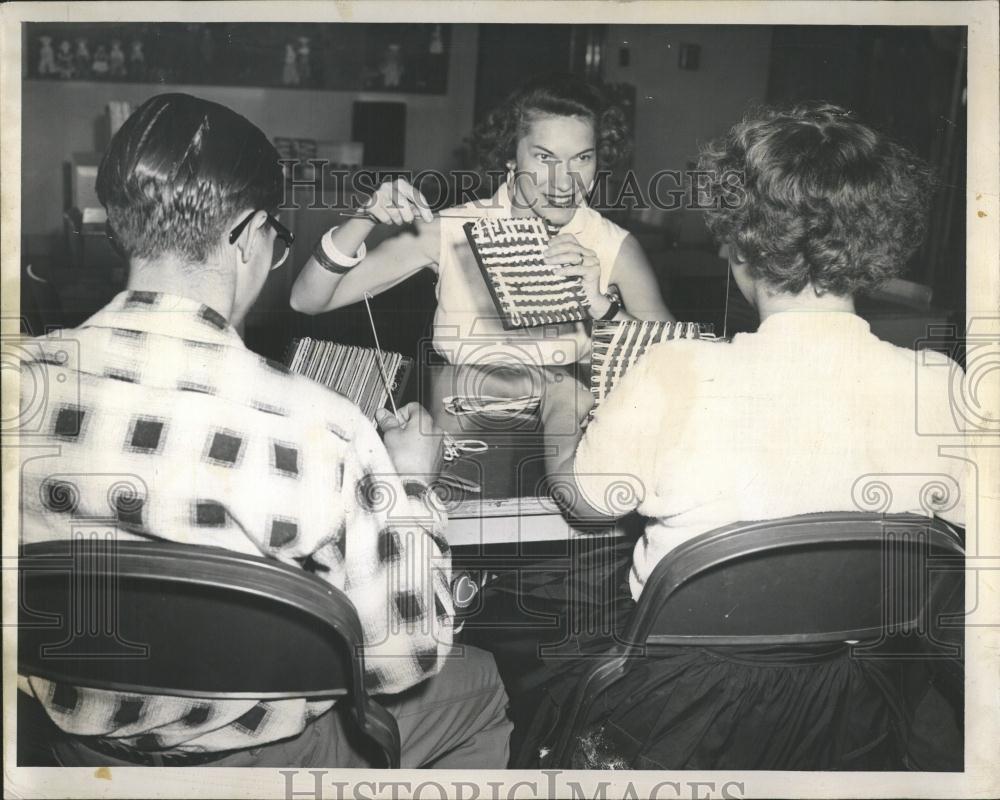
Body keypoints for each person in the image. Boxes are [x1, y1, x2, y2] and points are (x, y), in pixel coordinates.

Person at [18, 93, 511, 769]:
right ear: (249, 233)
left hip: (71, 752)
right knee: (482, 686)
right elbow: (405, 658)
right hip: (259, 759)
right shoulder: (328, 430)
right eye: (279, 241)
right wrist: (411, 484)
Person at [528, 102, 966, 769]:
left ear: (738, 244)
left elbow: (589, 503)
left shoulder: (677, 370)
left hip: (674, 717)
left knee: (531, 647)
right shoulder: (940, 386)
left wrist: (561, 406)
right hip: (857, 717)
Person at [290, 74, 674, 371]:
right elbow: (306, 301)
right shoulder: (450, 230)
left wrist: (604, 308)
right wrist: (364, 217)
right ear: (511, 156)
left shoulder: (613, 245)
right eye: (544, 157)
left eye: (582, 158)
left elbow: (677, 360)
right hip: (458, 420)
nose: (566, 180)